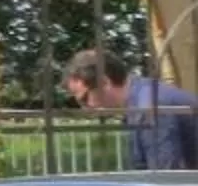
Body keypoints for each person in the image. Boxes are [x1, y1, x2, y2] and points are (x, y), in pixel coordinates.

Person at [68, 50, 198, 171]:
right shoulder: (141, 97)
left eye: (85, 98)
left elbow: (166, 176)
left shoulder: (148, 107)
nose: (85, 108)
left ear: (104, 83)